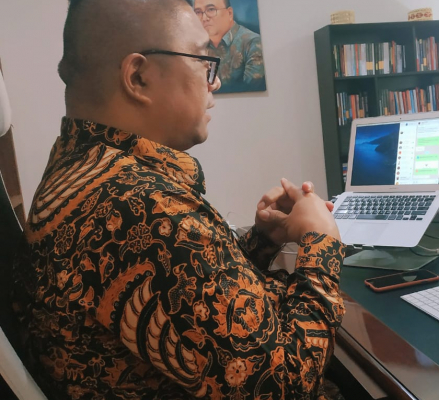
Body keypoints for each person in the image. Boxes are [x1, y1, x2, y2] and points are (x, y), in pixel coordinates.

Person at [11, 1, 344, 399]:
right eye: (204, 61)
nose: (214, 83)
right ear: (138, 77)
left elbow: (189, 301)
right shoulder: (139, 208)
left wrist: (261, 240)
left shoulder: (81, 165)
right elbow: (286, 385)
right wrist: (321, 243)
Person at [194, 0, 265, 92]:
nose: (204, 18)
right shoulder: (197, 48)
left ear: (230, 13)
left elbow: (251, 88)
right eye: (198, 12)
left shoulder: (252, 43)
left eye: (211, 9)